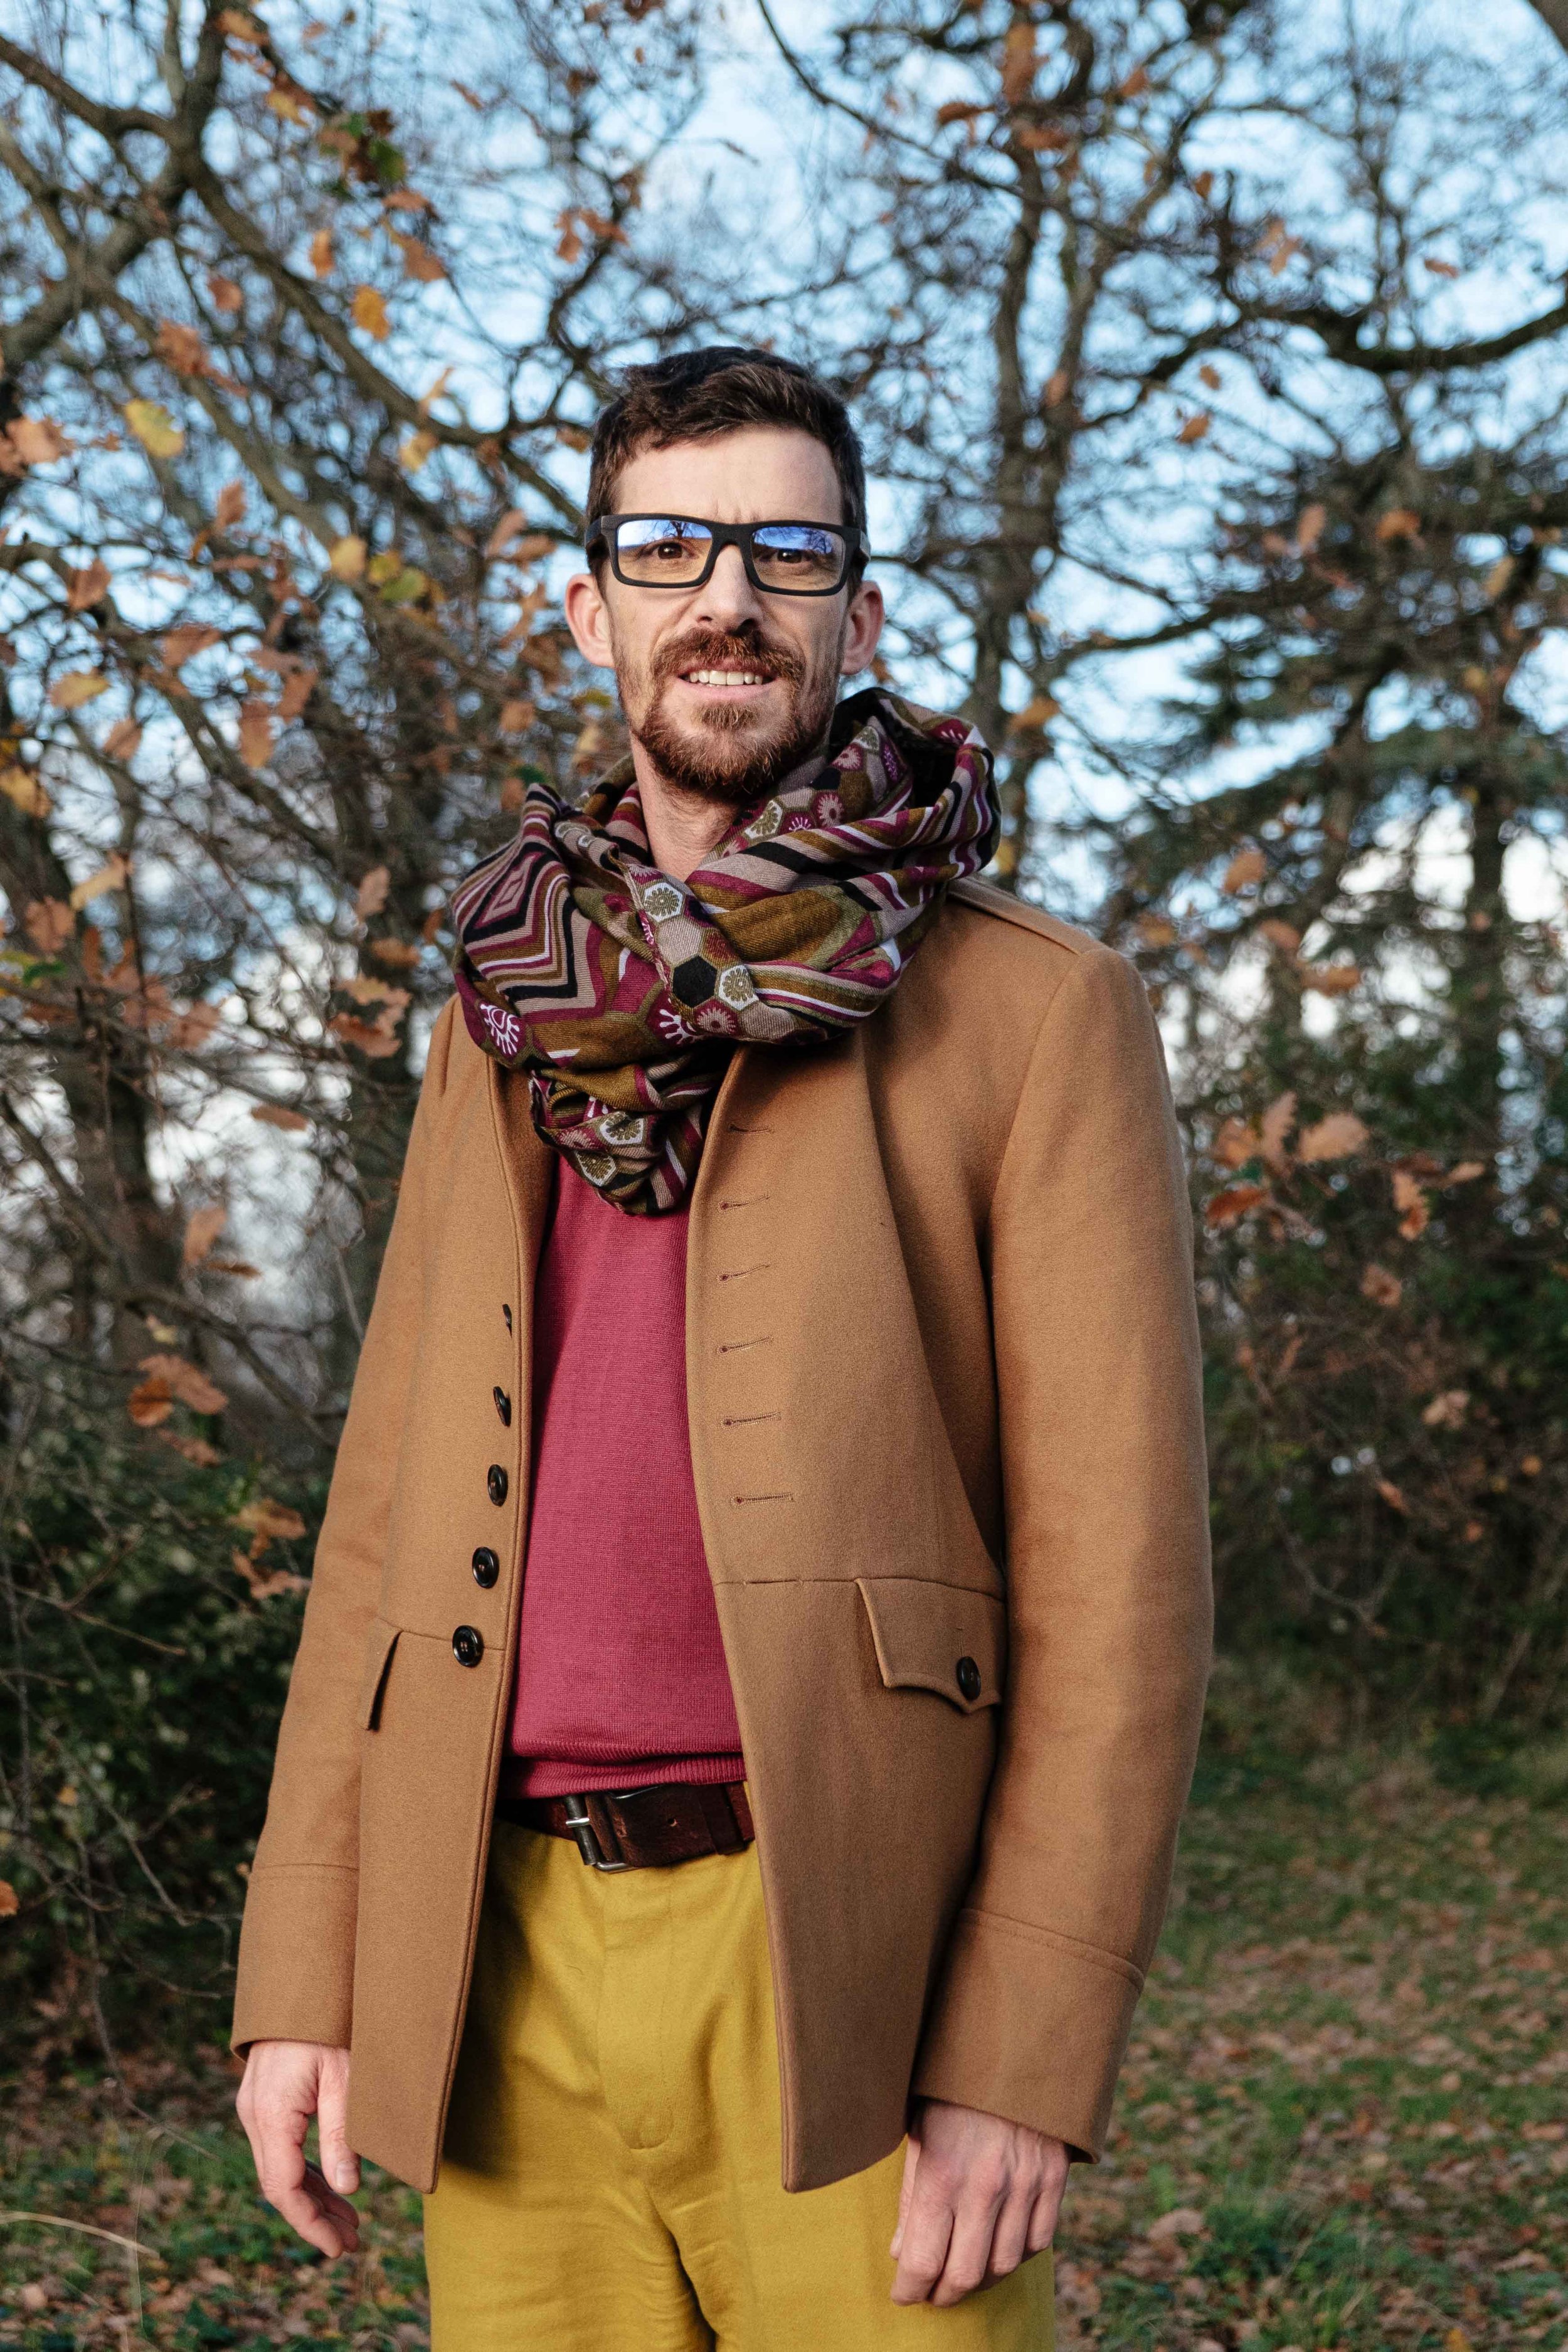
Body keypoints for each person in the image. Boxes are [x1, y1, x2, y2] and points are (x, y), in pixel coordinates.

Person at [231, 346, 1212, 2350]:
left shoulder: (1034, 1011)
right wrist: (307, 1978)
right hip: (500, 1974)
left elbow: (1123, 1590)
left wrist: (1020, 2043)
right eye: (667, 545)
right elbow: (383, 1537)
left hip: (843, 1957)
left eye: (786, 548)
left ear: (855, 608)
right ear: (591, 607)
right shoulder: (493, 1018)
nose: (727, 597)